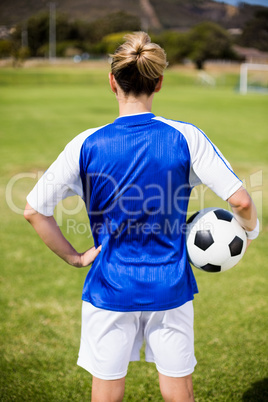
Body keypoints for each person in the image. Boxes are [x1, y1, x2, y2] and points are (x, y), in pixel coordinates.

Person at [24, 32, 259, 402]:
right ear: (159, 82)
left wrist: (76, 257)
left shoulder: (86, 143)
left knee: (106, 394)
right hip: (170, 286)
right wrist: (252, 232)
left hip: (109, 287)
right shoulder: (186, 137)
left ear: (112, 81)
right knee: (179, 392)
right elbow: (242, 203)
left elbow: (33, 210)